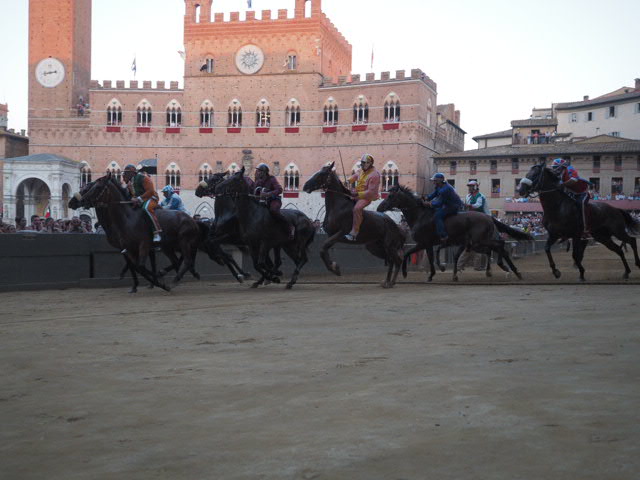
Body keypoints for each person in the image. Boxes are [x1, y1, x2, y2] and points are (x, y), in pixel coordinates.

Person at [344, 153, 381, 241]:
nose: (362, 165)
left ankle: (354, 233)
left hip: (367, 197)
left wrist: (357, 195)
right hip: (357, 193)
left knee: (357, 209)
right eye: (362, 163)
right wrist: (348, 181)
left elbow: (371, 192)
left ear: (369, 163)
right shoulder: (361, 170)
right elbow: (355, 175)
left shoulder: (375, 175)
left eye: (364, 163)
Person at [122, 164, 162, 243]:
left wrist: (138, 198)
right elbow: (131, 195)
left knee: (146, 208)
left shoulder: (143, 178)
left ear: (133, 172)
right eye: (125, 173)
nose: (125, 174)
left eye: (127, 172)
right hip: (140, 200)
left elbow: (150, 191)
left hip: (151, 198)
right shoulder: (130, 183)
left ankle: (157, 232)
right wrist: (132, 199)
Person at [550, 158, 591, 237]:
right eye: (553, 167)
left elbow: (574, 180)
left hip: (582, 193)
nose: (554, 169)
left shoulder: (570, 169)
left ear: (561, 167)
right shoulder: (558, 175)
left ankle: (585, 229)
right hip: (571, 193)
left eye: (555, 167)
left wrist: (563, 184)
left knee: (581, 204)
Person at [254, 163, 294, 240]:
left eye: (259, 171)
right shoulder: (258, 181)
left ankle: (289, 226)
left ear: (264, 172)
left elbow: (279, 190)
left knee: (273, 210)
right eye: (257, 171)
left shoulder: (272, 179)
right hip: (262, 201)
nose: (257, 173)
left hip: (274, 200)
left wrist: (268, 194)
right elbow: (255, 192)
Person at [423, 172, 462, 243]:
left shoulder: (446, 189)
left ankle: (443, 236)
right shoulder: (439, 186)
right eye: (433, 181)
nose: (434, 182)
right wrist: (426, 198)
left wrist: (429, 204)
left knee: (437, 216)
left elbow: (439, 202)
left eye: (435, 180)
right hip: (446, 205)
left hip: (453, 206)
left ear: (440, 180)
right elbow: (434, 194)